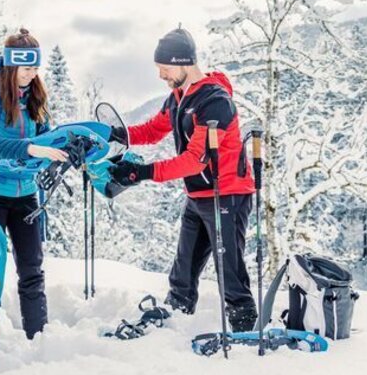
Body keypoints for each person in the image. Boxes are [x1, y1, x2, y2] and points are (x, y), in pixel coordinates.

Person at [108, 26, 258, 331]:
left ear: (183, 62)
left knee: (229, 270)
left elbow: (193, 160)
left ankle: (244, 327)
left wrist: (143, 173)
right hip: (199, 194)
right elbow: (152, 131)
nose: (161, 75)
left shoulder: (214, 102)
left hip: (227, 192)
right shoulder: (178, 97)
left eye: (164, 68)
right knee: (183, 268)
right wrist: (115, 134)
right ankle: (176, 319)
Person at [0, 28, 68, 339]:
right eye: (26, 68)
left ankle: (37, 337)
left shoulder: (36, 97)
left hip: (27, 195)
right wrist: (31, 148)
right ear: (11, 66)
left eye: (35, 68)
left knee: (32, 270)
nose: (32, 74)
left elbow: (47, 137)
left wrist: (60, 151)